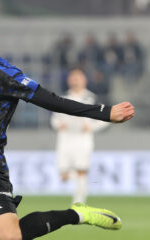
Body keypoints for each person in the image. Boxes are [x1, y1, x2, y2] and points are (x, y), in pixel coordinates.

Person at [0, 11, 135, 240]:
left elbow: (51, 100)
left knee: (13, 237)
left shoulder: (6, 72)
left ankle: (76, 214)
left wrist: (105, 112)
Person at [51, 69, 109, 204]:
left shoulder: (92, 98)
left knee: (81, 169)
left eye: (78, 77)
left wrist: (92, 127)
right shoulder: (62, 98)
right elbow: (54, 119)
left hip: (83, 139)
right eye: (73, 77)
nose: (75, 79)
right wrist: (58, 124)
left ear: (85, 80)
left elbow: (104, 119)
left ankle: (79, 203)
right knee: (64, 175)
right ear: (68, 80)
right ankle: (80, 181)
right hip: (65, 139)